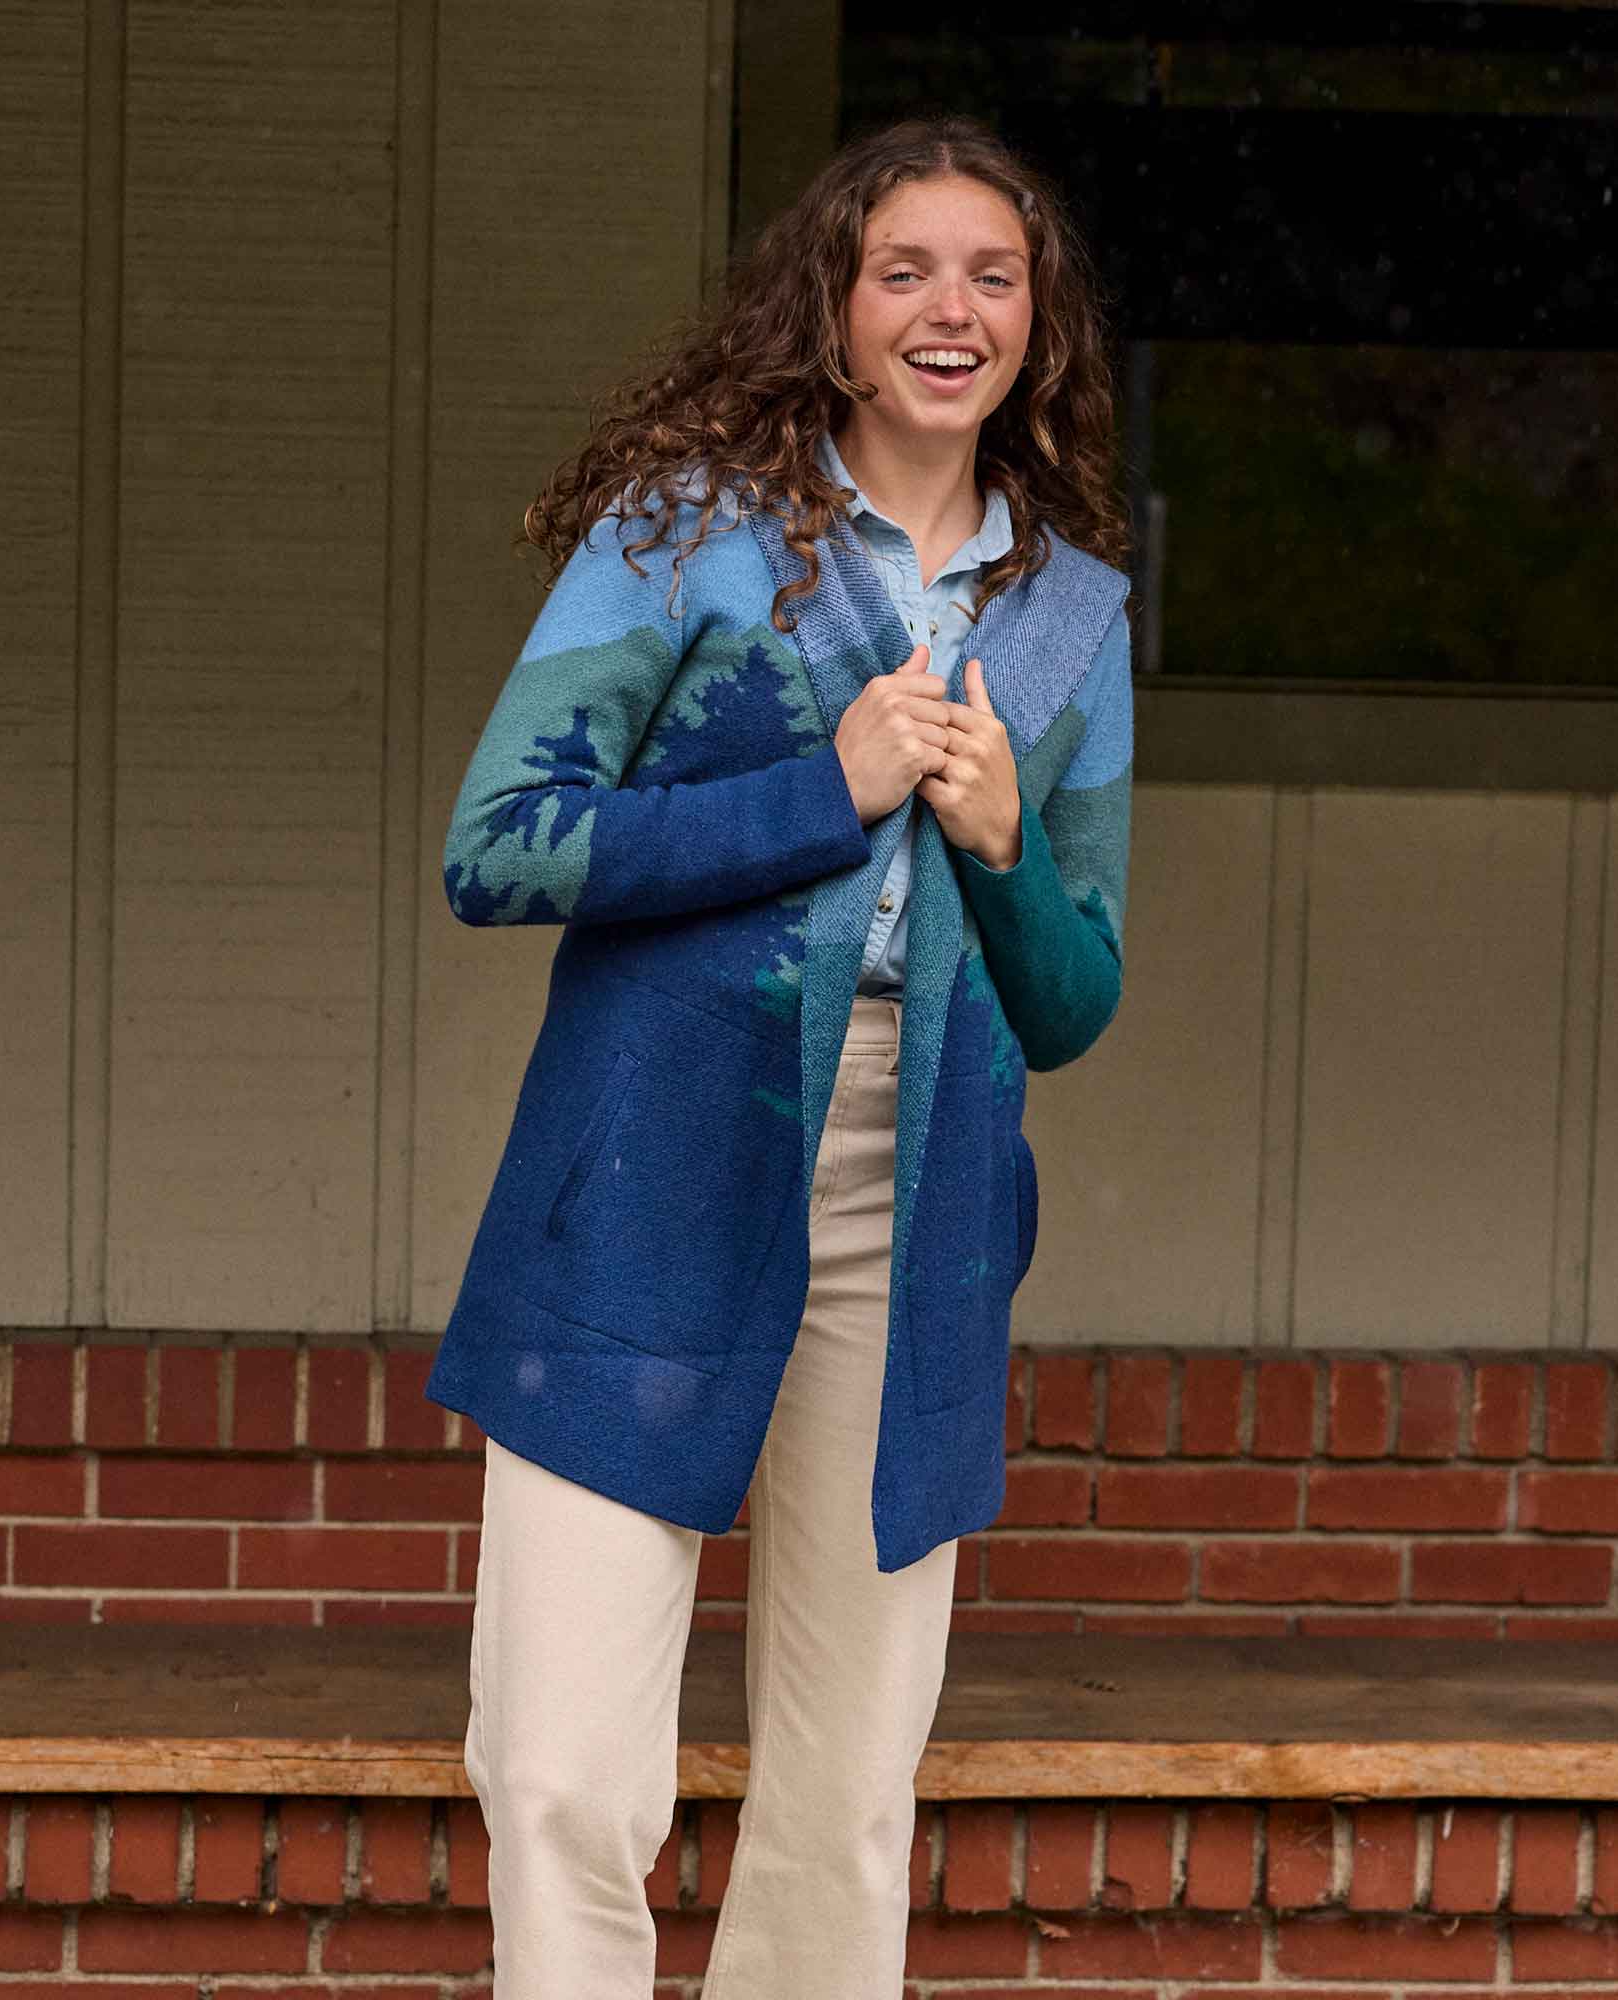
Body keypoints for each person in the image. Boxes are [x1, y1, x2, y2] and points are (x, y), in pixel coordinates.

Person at [424, 112, 1134, 2000]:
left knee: (843, 1797)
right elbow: (499, 846)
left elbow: (1074, 1003)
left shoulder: (1069, 617)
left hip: (920, 1200)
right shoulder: (690, 541)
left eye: (994, 275)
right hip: (651, 1167)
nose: (950, 309)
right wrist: (825, 790)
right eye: (904, 270)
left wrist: (1002, 855)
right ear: (831, 306)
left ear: (1040, 324)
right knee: (563, 1767)